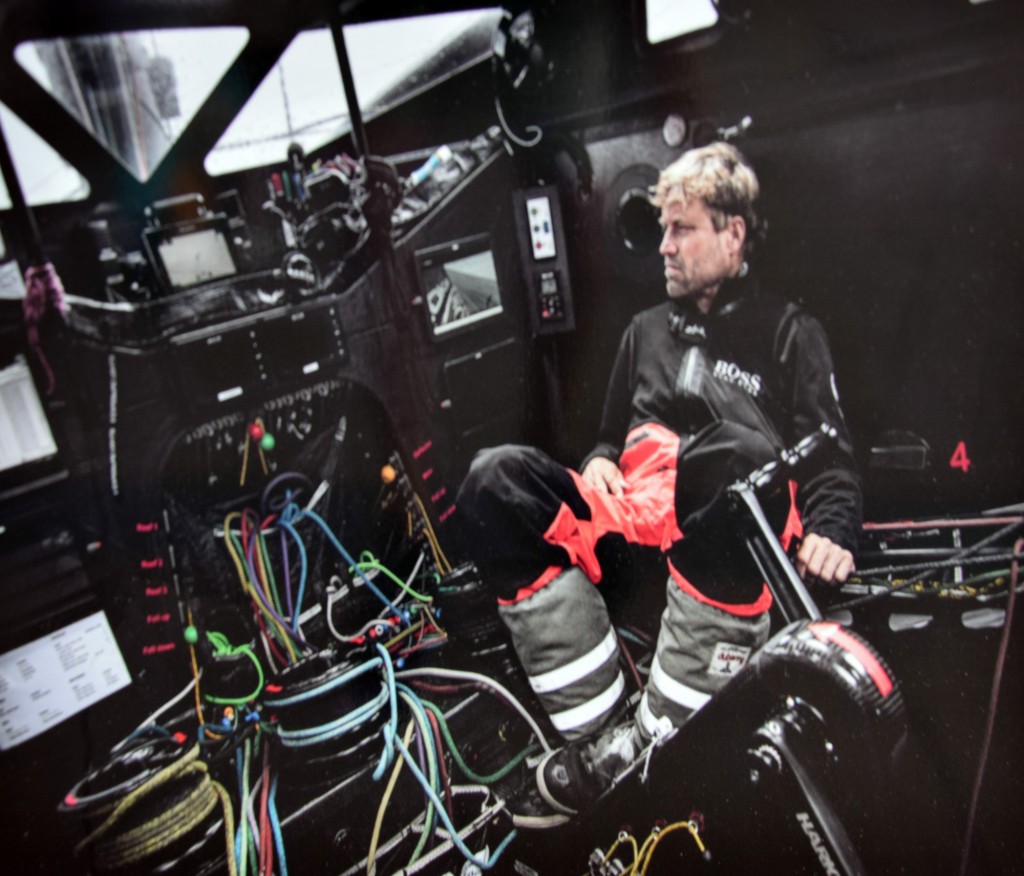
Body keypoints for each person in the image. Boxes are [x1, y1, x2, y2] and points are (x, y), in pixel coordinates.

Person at [454, 142, 861, 823]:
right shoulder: (643, 332)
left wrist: (832, 530)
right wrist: (600, 462)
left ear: (733, 234)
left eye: (682, 229)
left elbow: (833, 460)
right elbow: (609, 437)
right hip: (630, 535)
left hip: (719, 539)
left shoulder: (792, 334)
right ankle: (602, 732)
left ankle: (654, 739)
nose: (664, 247)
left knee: (734, 455)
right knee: (494, 479)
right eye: (662, 229)